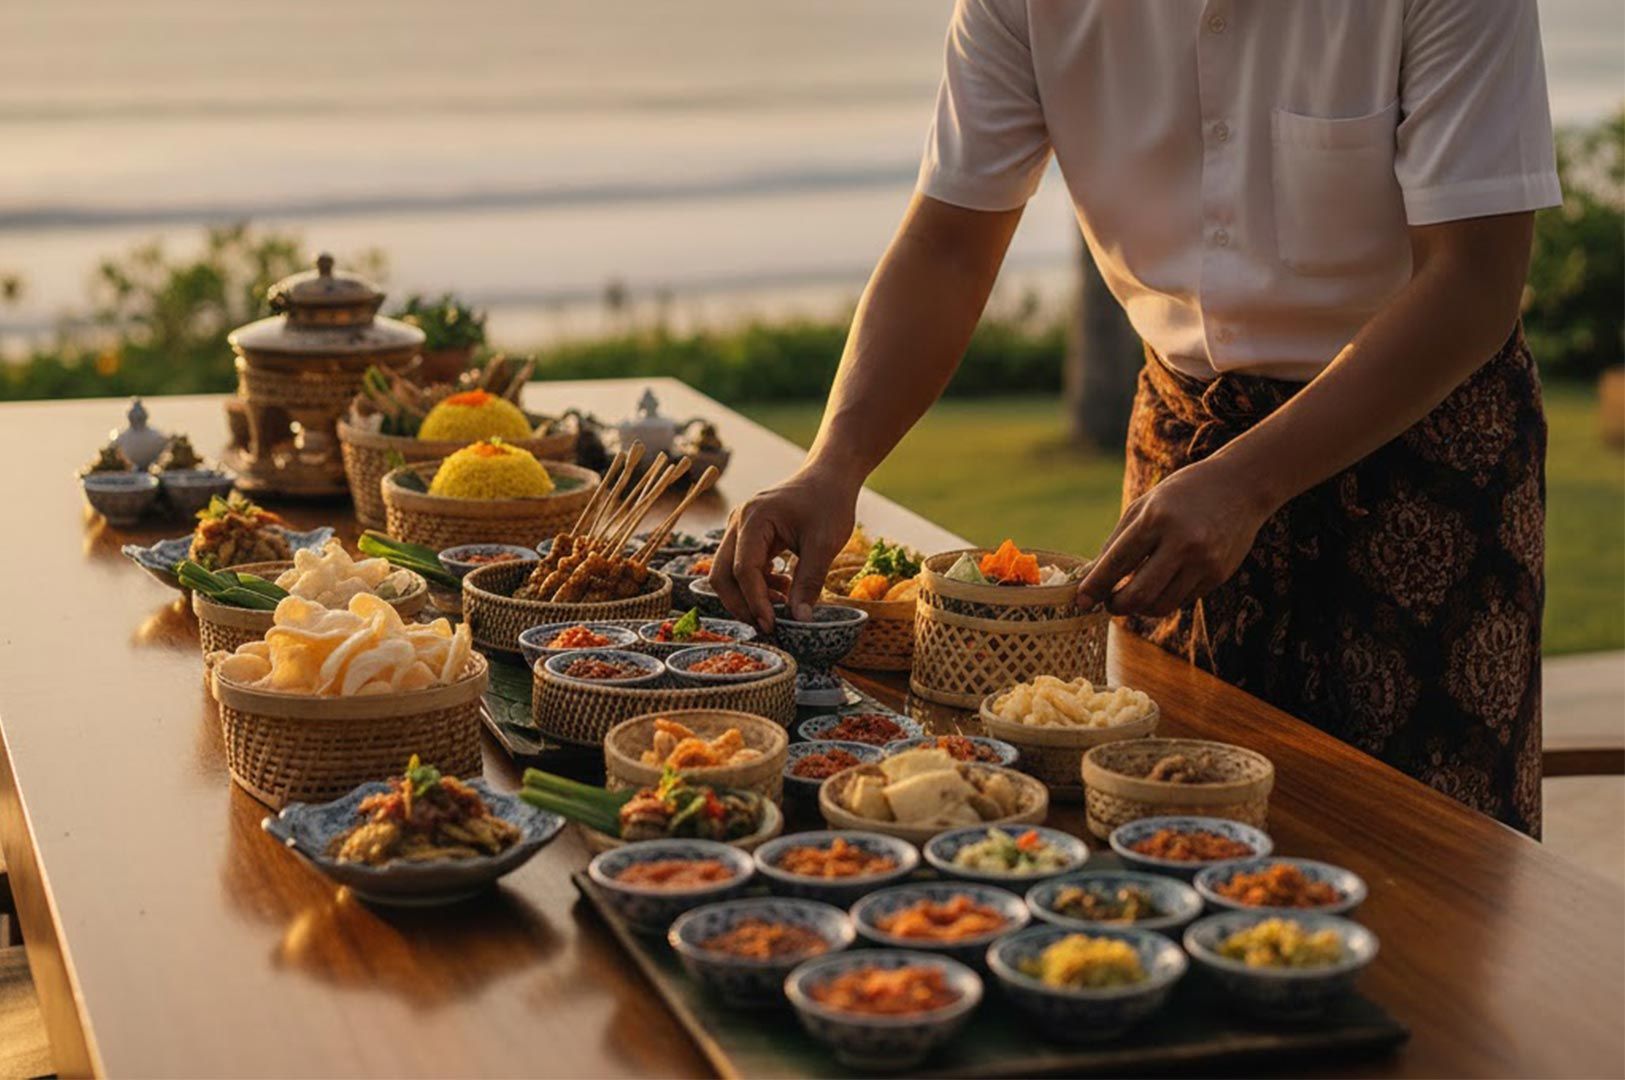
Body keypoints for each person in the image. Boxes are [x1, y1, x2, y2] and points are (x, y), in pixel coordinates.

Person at [709, 0, 1561, 836]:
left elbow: (1474, 280)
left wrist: (1246, 481)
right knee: (1152, 811)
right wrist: (832, 464)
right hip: (1184, 444)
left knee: (1430, 855)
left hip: (1420, 453)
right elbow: (949, 244)